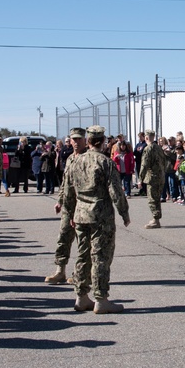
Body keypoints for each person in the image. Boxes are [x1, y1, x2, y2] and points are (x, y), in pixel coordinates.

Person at [61, 125, 130, 314]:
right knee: (100, 256)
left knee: (83, 255)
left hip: (80, 214)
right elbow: (115, 191)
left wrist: (70, 213)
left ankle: (81, 297)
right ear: (103, 141)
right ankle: (101, 298)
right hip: (100, 216)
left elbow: (68, 192)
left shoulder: (75, 162)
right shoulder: (105, 162)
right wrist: (124, 212)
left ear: (88, 141)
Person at [46, 129, 88, 284]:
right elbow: (65, 183)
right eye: (73, 140)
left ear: (85, 140)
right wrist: (60, 201)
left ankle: (81, 274)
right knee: (63, 238)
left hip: (83, 207)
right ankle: (60, 271)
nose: (75, 142)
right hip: (68, 207)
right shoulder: (70, 158)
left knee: (83, 242)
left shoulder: (88, 158)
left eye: (78, 139)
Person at [138, 130, 167, 228]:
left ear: (146, 138)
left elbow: (144, 165)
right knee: (157, 198)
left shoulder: (148, 149)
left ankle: (156, 220)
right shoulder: (159, 148)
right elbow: (164, 161)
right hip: (160, 176)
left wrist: (140, 178)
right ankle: (156, 218)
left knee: (152, 199)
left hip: (152, 177)